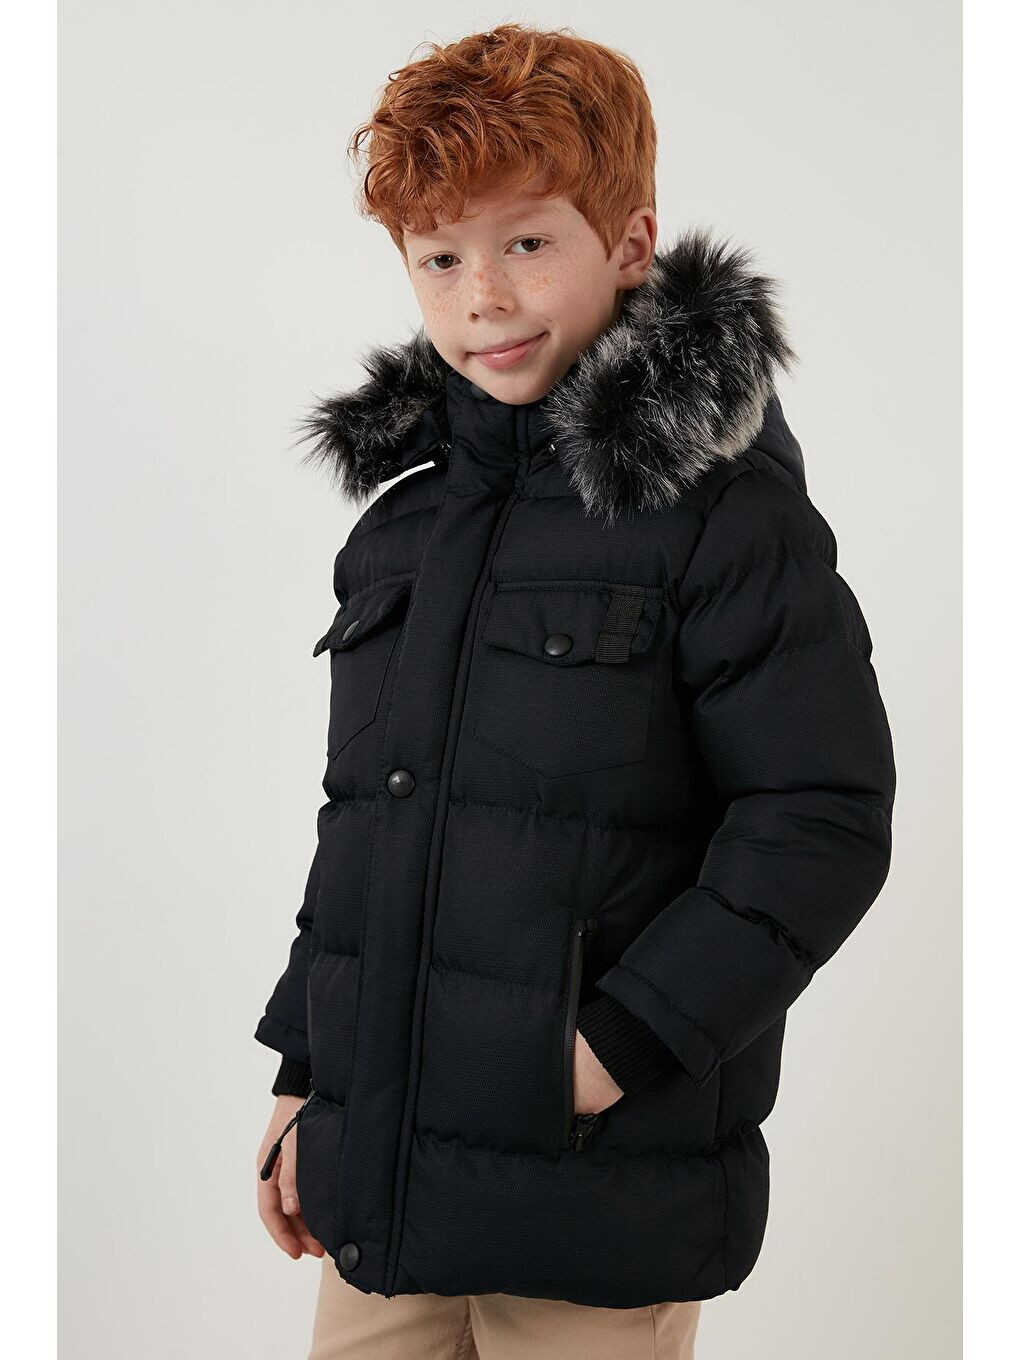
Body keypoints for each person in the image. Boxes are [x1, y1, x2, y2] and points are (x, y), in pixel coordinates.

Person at [253, 22, 896, 1360]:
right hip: (384, 1183)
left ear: (631, 242)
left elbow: (820, 818)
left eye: (528, 242)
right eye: (440, 257)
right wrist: (306, 1072)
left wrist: (611, 1051)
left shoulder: (722, 519)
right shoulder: (403, 532)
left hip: (597, 1200)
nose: (483, 296)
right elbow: (364, 826)